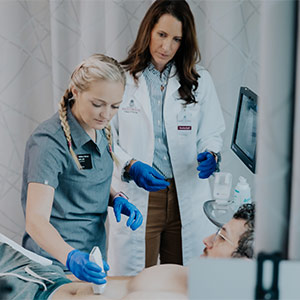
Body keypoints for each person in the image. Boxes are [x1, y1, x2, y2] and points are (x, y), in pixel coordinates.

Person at [107, 0, 226, 275]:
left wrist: (211, 154)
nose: (167, 47)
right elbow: (106, 136)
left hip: (185, 193)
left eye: (176, 39)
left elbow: (211, 133)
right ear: (148, 30)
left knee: (187, 280)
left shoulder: (199, 80)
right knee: (135, 281)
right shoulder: (121, 79)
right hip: (140, 193)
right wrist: (129, 165)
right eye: (161, 35)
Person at [20, 54, 143, 285]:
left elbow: (82, 180)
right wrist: (70, 257)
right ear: (75, 91)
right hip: (53, 266)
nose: (106, 114)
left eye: (115, 106)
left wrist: (117, 198)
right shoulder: (49, 142)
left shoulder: (101, 130)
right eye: (98, 104)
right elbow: (35, 220)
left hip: (91, 260)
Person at [0, 204, 255, 300]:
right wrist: (79, 273)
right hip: (44, 279)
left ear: (244, 264)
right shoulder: (184, 274)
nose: (206, 239)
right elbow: (111, 284)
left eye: (221, 238)